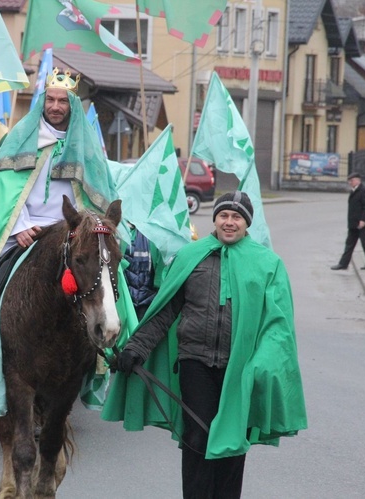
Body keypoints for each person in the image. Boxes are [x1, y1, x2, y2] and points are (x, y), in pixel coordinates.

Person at [103, 192, 307, 499]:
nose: (229, 222)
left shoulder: (267, 264)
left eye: (236, 217)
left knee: (231, 440)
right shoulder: (191, 256)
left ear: (246, 223)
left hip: (239, 368)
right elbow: (165, 311)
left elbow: (278, 325)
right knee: (197, 436)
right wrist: (136, 348)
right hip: (194, 362)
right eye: (224, 215)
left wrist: (263, 364)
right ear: (214, 219)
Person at [0, 68, 119, 367]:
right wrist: (20, 226)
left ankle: (109, 350)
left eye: (62, 101)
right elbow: (3, 188)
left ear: (72, 105)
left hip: (72, 234)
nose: (55, 107)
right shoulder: (24, 138)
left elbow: (97, 198)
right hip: (26, 231)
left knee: (109, 279)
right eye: (50, 99)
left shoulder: (87, 148)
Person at [331, 172, 365, 270]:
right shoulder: (353, 191)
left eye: (351, 181)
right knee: (349, 244)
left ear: (357, 180)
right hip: (353, 224)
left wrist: (363, 220)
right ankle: (343, 264)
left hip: (362, 224)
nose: (350, 183)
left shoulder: (364, 191)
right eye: (349, 181)